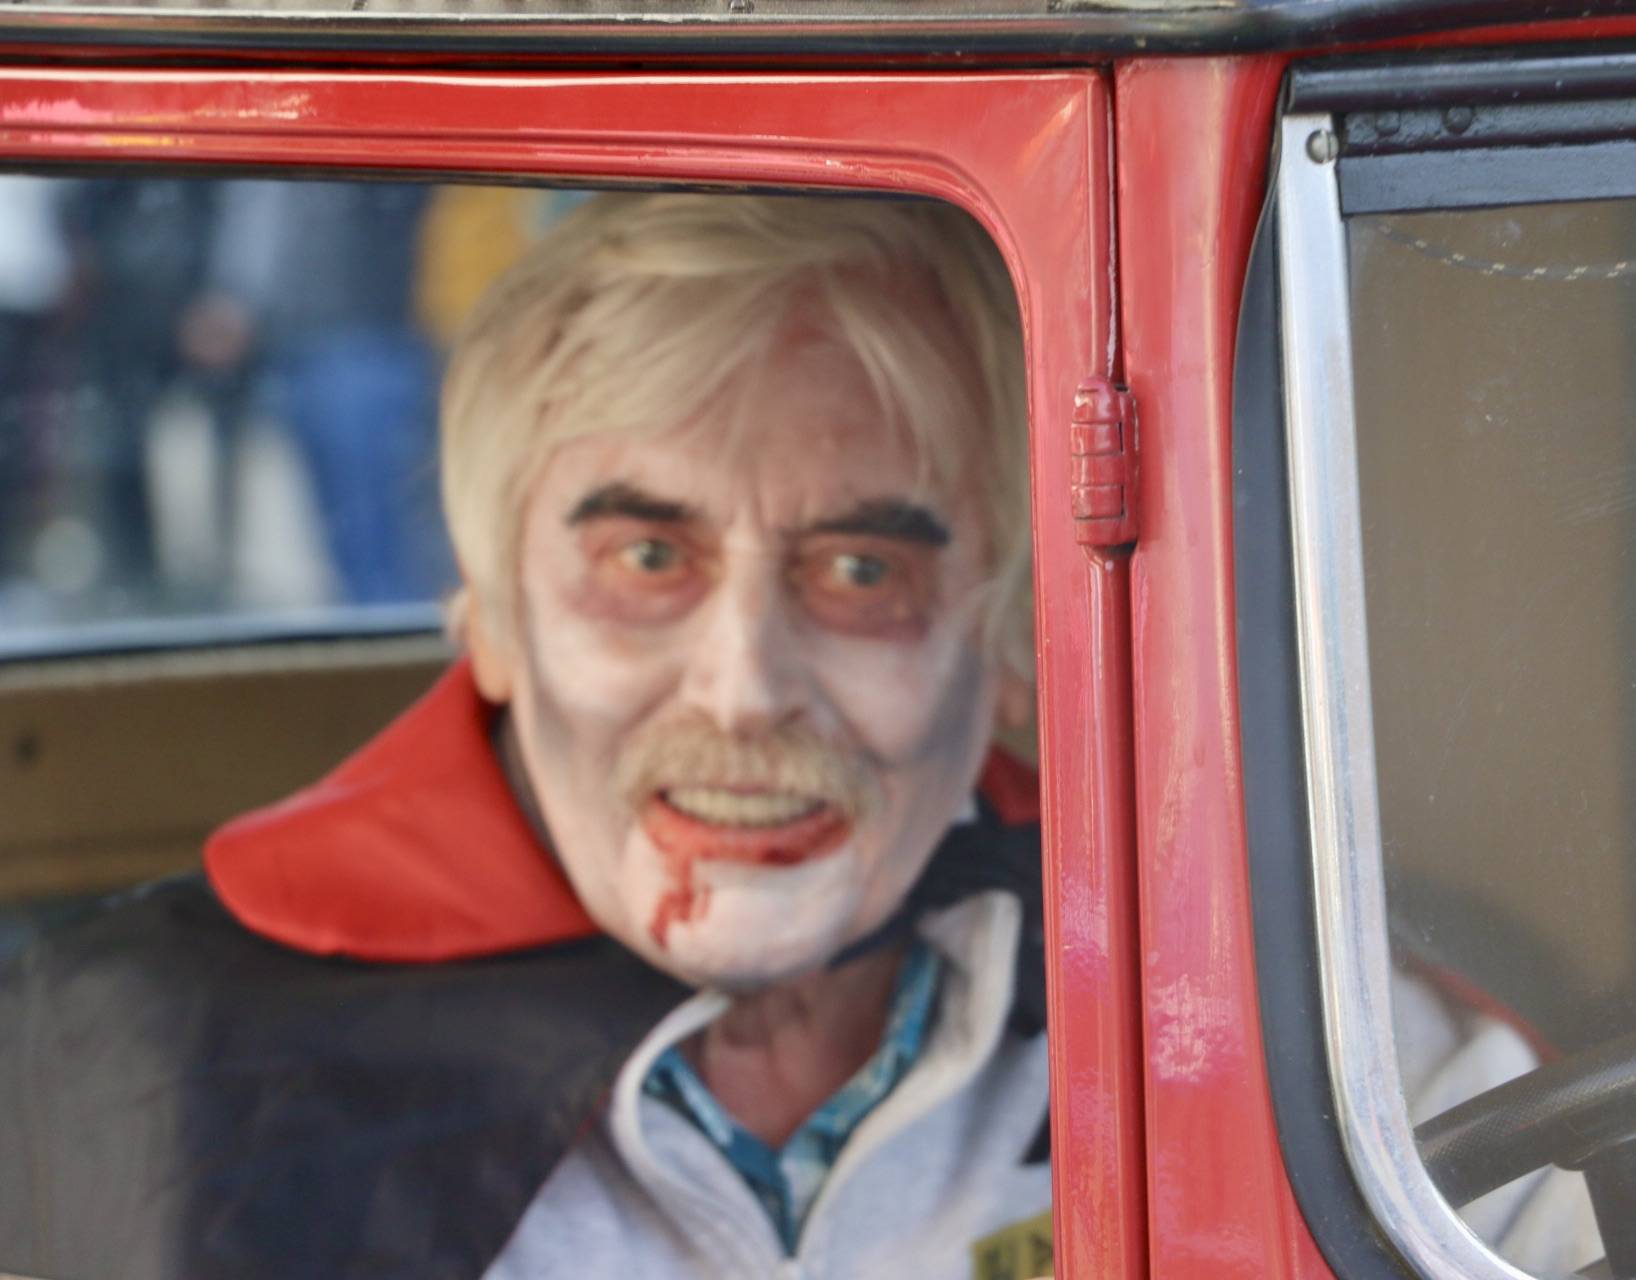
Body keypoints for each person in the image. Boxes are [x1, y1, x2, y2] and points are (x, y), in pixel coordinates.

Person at [0, 191, 1046, 1280]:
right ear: (492, 624)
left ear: (1010, 644)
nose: (742, 690)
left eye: (860, 570)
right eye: (646, 558)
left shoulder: (1168, 981)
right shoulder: (165, 1080)